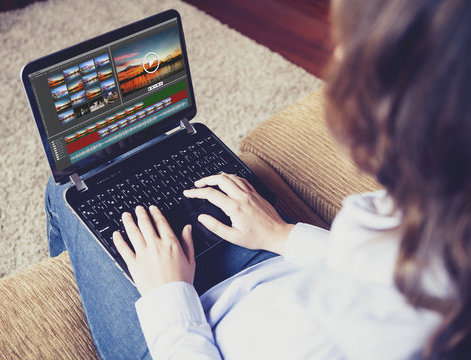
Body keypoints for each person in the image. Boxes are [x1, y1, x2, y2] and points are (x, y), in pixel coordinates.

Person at [45, 0, 471, 358]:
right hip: (273, 265)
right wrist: (282, 236)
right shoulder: (445, 220)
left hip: (186, 333)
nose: (337, 61)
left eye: (348, 54)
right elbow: (380, 267)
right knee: (143, 160)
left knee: (66, 189)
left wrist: (168, 294)